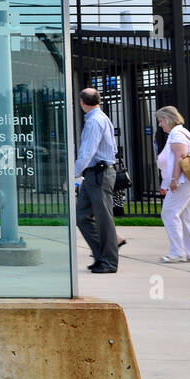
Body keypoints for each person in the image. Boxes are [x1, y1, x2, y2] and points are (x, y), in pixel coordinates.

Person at [74, 87, 119, 273]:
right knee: (82, 216)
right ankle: (100, 256)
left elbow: (87, 151)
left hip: (99, 174)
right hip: (94, 174)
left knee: (104, 220)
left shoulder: (94, 121)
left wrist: (74, 174)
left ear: (82, 103)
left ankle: (108, 262)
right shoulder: (101, 118)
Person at [155, 106, 190, 263]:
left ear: (169, 119)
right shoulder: (181, 132)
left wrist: (174, 181)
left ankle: (177, 252)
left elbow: (180, 158)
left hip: (184, 181)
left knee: (169, 212)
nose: (160, 124)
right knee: (187, 217)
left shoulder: (176, 134)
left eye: (161, 121)